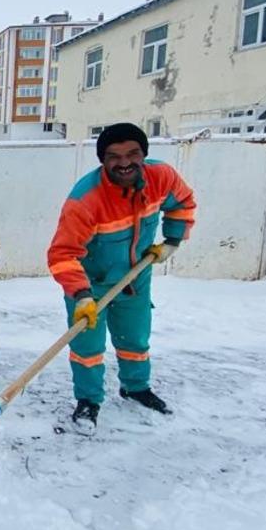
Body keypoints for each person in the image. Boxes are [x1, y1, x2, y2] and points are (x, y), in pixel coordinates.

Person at [47, 122, 197, 429]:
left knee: (135, 337)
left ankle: (136, 387)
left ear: (144, 155)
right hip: (90, 283)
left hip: (135, 276)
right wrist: (82, 295)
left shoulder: (161, 178)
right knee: (87, 346)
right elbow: (62, 254)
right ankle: (88, 400)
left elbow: (182, 203)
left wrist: (171, 240)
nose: (124, 162)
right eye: (114, 156)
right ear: (103, 160)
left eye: (132, 153)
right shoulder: (85, 200)